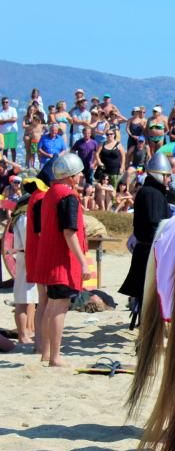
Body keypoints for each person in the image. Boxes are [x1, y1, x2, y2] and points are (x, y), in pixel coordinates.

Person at [35, 153, 92, 366]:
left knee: (51, 306)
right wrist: (83, 263)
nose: (80, 177)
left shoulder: (50, 194)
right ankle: (55, 356)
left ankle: (47, 353)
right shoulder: (67, 197)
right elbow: (69, 232)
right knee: (59, 306)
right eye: (78, 174)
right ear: (70, 176)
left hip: (49, 257)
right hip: (61, 260)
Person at [119, 153, 172, 321]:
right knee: (149, 295)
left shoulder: (151, 191)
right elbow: (155, 224)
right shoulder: (152, 194)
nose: (169, 180)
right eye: (167, 176)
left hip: (148, 249)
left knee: (147, 294)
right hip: (150, 250)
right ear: (159, 174)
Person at [11, 177, 45, 346]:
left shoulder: (23, 217)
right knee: (23, 299)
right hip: (26, 258)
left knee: (29, 298)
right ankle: (23, 335)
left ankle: (27, 332)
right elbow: (27, 242)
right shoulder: (23, 219)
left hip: (27, 258)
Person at [0, 96, 19, 161]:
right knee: (5, 149)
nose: (5, 103)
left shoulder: (13, 109)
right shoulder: (0, 110)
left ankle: (14, 162)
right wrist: (9, 120)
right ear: (1, 103)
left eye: (6, 102)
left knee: (13, 149)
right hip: (3, 132)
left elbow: (14, 119)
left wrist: (4, 120)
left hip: (12, 131)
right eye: (3, 102)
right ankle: (5, 163)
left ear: (9, 103)